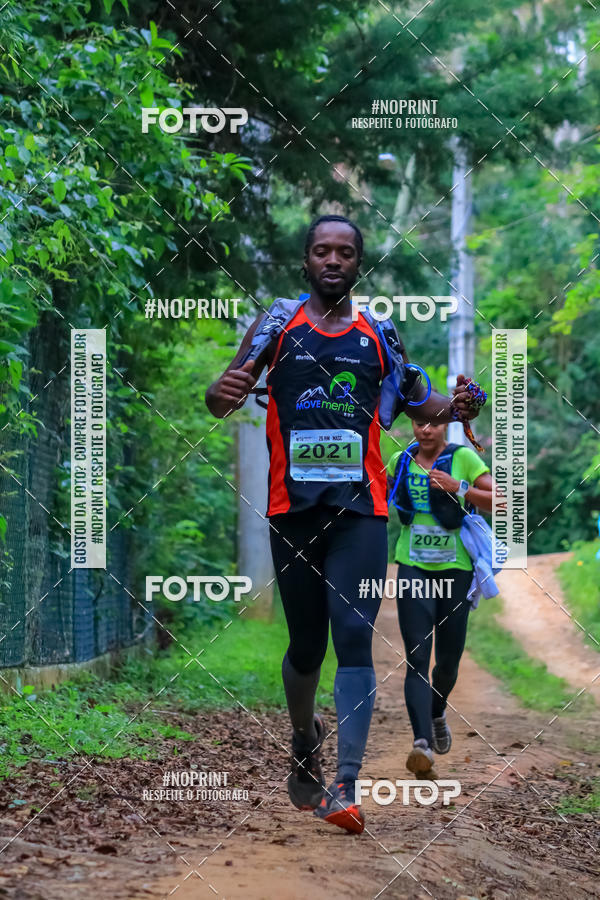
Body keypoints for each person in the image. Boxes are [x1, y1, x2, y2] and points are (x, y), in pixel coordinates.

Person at [205, 214, 483, 833]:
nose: (333, 261)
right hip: (292, 510)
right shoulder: (277, 324)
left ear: (359, 264)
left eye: (346, 253)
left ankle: (345, 785)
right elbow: (224, 394)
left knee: (354, 637)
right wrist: (219, 393)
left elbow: (423, 400)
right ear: (306, 262)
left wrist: (460, 406)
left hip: (362, 512)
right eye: (322, 252)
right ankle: (305, 739)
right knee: (306, 645)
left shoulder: (380, 334)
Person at [386, 419, 493, 776]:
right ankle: (422, 745)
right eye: (419, 423)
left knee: (447, 663)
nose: (425, 430)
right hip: (412, 566)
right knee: (417, 656)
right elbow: (377, 487)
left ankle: (436, 712)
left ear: (445, 425)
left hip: (456, 570)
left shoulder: (462, 457)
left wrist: (459, 487)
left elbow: (500, 501)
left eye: (434, 423)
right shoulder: (403, 460)